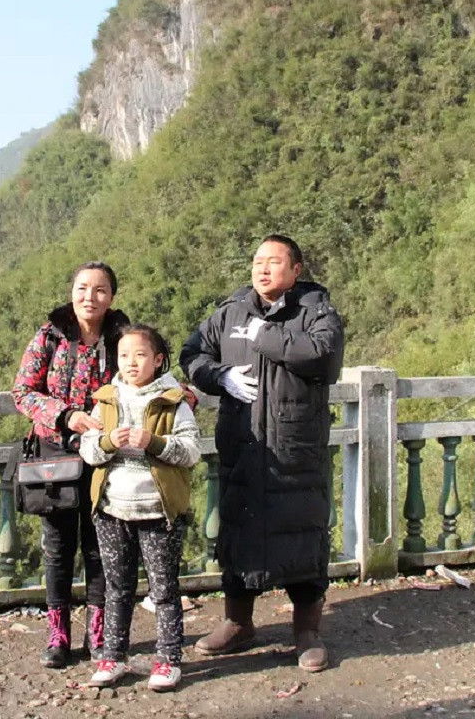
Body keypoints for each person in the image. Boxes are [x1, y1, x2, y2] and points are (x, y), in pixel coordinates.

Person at [179, 234, 344, 672]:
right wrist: (218, 376)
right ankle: (238, 622)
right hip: (245, 446)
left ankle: (307, 631)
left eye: (274, 262)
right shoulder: (230, 311)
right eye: (257, 262)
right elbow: (191, 354)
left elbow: (325, 358)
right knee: (238, 534)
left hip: (296, 448)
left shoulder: (315, 310)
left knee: (304, 533)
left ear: (296, 270)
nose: (263, 269)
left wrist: (267, 336)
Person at [11, 261, 130, 668]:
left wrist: (177, 393)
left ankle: (98, 632)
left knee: (101, 546)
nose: (89, 297)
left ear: (111, 297)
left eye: (99, 290)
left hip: (106, 455)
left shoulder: (121, 337)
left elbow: (145, 375)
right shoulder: (51, 335)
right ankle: (58, 633)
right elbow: (23, 391)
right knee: (58, 546)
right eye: (82, 288)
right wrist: (65, 415)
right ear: (71, 291)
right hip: (55, 454)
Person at [79, 325, 200, 692]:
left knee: (163, 589)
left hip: (158, 510)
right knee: (117, 588)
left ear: (158, 360)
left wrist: (154, 443)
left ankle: (167, 660)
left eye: (141, 355)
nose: (131, 363)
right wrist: (106, 441)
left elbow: (191, 452)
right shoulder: (106, 399)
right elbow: (88, 450)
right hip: (113, 508)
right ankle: (113, 657)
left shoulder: (173, 401)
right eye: (124, 356)